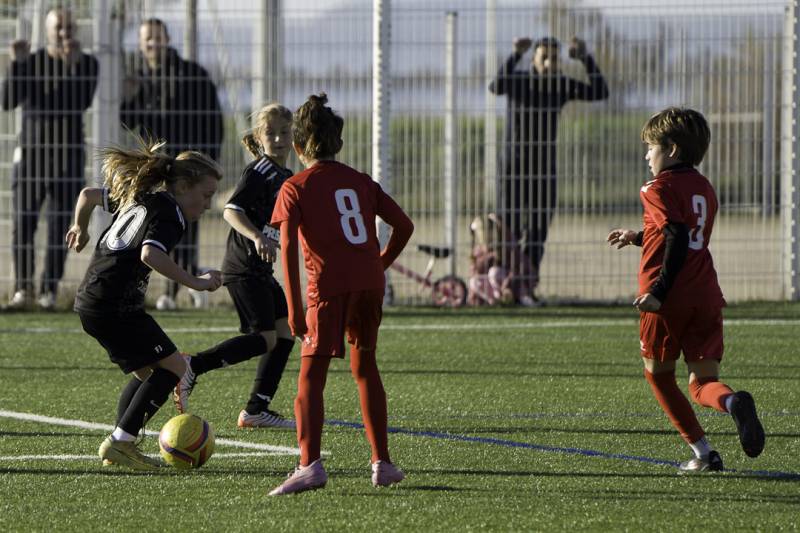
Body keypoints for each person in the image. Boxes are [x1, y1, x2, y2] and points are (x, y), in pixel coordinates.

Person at [268, 93, 414, 495]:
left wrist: (294, 308)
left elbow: (288, 249)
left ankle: (309, 464)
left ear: (298, 148)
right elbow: (404, 226)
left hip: (329, 288)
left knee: (311, 377)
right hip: (369, 285)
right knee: (365, 368)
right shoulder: (361, 181)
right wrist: (378, 266)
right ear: (340, 144)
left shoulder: (294, 187)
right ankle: (382, 462)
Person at [606, 107, 765, 472]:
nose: (648, 155)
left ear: (672, 149)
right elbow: (684, 233)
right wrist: (637, 237)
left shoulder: (656, 188)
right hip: (706, 294)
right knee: (702, 384)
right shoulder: (705, 188)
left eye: (651, 147)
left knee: (659, 375)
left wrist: (659, 291)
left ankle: (704, 454)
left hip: (668, 299)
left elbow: (676, 235)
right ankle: (733, 403)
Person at [66, 137, 223, 471]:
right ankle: (121, 442)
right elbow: (150, 254)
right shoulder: (171, 214)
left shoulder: (143, 196)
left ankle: (122, 443)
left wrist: (79, 226)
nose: (208, 205)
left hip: (92, 300)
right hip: (115, 306)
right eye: (206, 195)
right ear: (182, 186)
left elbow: (88, 196)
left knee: (147, 372)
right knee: (175, 368)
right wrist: (196, 282)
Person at [172, 103, 296, 429]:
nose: (279, 139)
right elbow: (231, 209)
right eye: (271, 133)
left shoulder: (287, 176)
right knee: (265, 338)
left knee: (285, 335)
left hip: (261, 270)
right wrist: (256, 237)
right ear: (259, 137)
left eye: (285, 132)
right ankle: (192, 366)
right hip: (243, 266)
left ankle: (256, 409)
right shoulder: (260, 171)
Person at [489, 36, 608, 304]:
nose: (548, 62)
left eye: (554, 58)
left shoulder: (561, 84)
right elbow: (496, 86)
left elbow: (600, 91)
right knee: (510, 228)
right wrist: (514, 54)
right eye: (543, 57)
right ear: (533, 59)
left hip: (544, 169)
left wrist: (585, 58)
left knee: (538, 229)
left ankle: (526, 286)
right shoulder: (518, 80)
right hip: (513, 168)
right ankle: (503, 287)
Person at [120, 17, 223, 311]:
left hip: (187, 170)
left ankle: (178, 289)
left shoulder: (192, 75)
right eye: (146, 38)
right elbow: (126, 122)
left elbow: (213, 122)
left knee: (185, 227)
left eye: (157, 37)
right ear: (140, 44)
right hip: (155, 169)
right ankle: (151, 289)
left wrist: (206, 165)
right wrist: (128, 95)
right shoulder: (139, 78)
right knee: (153, 226)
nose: (152, 43)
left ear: (167, 39)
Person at [1, 7, 98, 310]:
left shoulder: (87, 64)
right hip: (31, 156)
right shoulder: (31, 62)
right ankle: (22, 289)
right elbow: (7, 101)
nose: (64, 34)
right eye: (59, 28)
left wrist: (72, 67)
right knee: (23, 223)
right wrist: (16, 64)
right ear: (48, 31)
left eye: (69, 28)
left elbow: (80, 102)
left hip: (67, 157)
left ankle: (48, 291)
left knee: (60, 227)